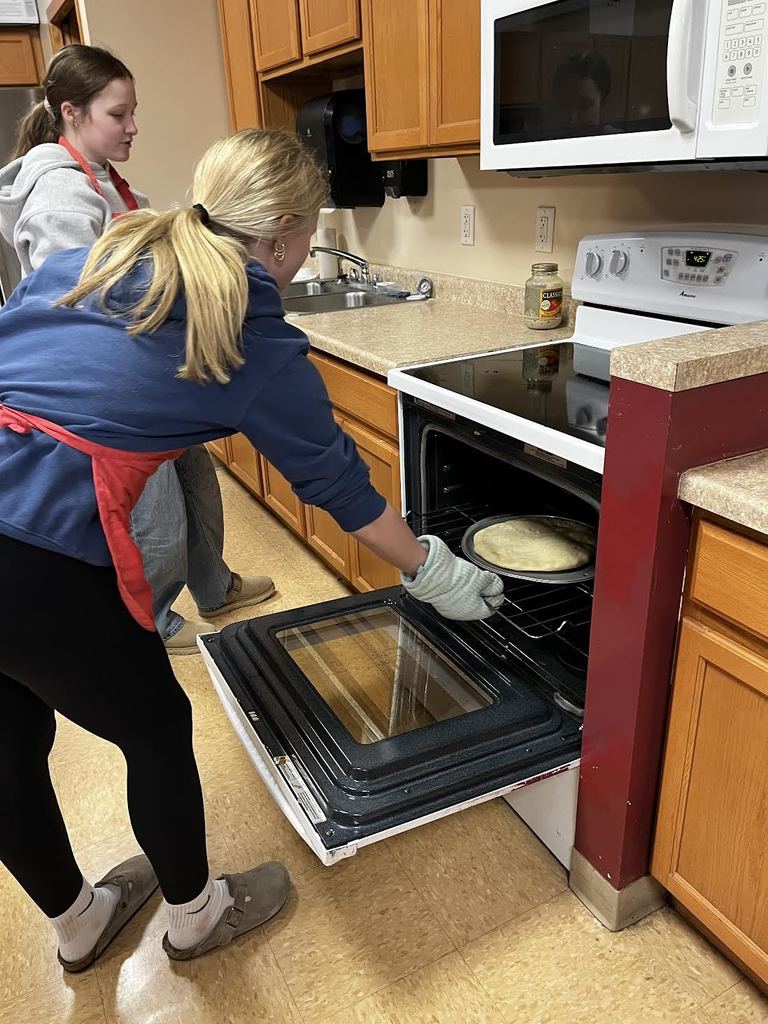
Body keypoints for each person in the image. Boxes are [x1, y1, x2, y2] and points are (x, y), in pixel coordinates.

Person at [0, 127, 504, 970]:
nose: (308, 253)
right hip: (34, 544)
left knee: (8, 737)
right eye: (308, 235)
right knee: (156, 728)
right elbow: (341, 489)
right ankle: (198, 918)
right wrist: (432, 568)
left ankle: (77, 921)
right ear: (279, 233)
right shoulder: (250, 337)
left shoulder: (103, 257)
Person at [0, 44, 274, 655]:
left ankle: (216, 585)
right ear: (72, 114)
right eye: (118, 115)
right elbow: (72, 297)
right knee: (153, 518)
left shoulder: (106, 182)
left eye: (133, 112)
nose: (132, 127)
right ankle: (148, 623)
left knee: (198, 478)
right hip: (108, 392)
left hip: (147, 374)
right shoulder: (60, 194)